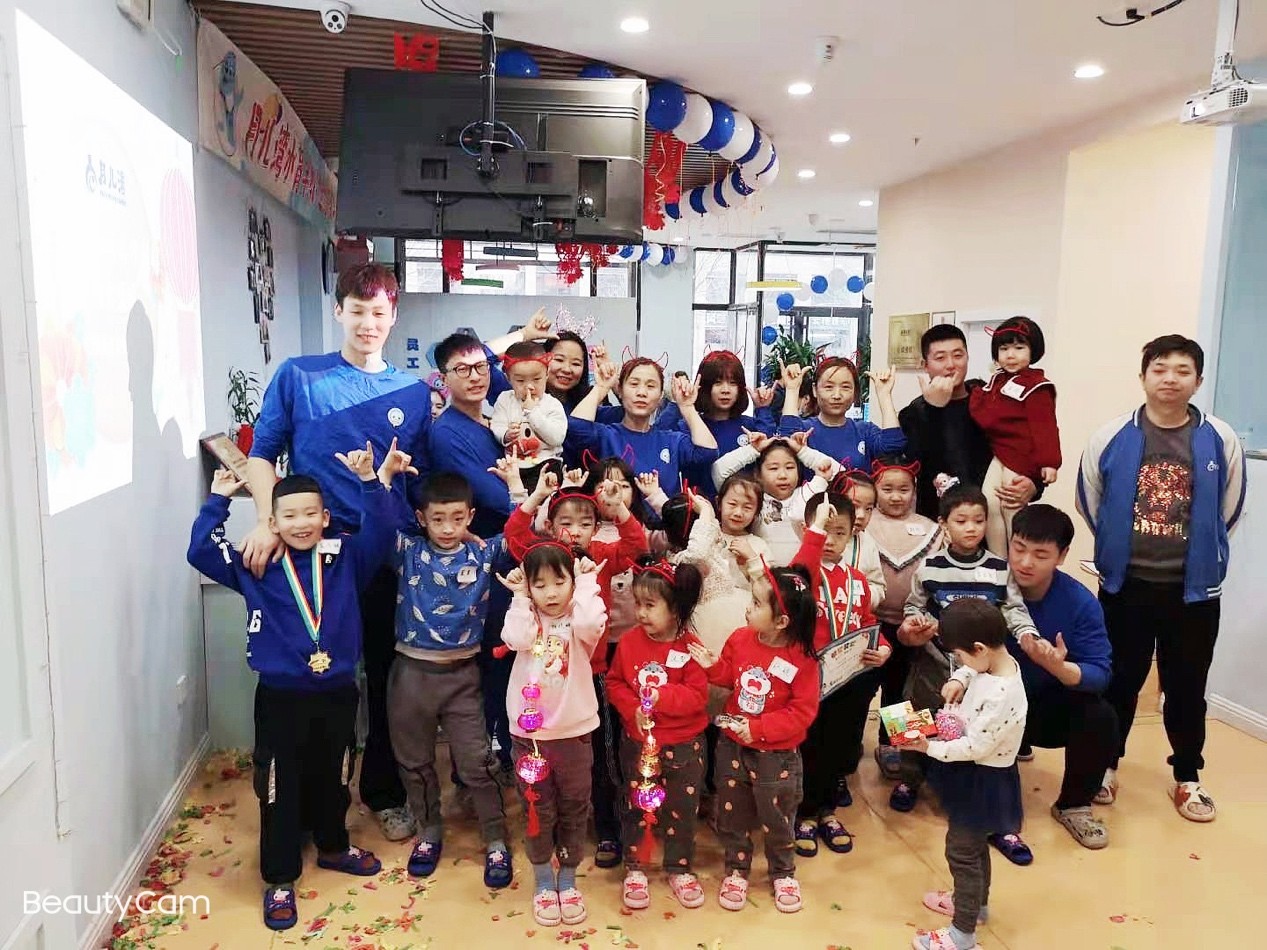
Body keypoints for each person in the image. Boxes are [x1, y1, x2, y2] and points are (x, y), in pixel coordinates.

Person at [244, 263, 431, 842]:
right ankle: (302, 801)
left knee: (385, 676)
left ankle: (383, 791)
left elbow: (418, 483)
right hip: (311, 556)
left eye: (379, 312)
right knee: (308, 678)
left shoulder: (412, 393)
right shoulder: (299, 376)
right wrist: (267, 521)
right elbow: (261, 455)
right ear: (339, 311)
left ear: (394, 316)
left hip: (383, 556)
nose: (368, 323)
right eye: (357, 310)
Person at [187, 453, 394, 931]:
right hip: (281, 696)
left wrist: (369, 479)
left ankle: (333, 846)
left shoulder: (345, 557)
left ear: (325, 517)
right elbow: (200, 551)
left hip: (338, 690)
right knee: (278, 785)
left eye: (310, 514)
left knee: (336, 773)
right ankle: (280, 876)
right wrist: (217, 501)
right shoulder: (258, 561)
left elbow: (382, 531)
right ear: (273, 522)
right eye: (290, 515)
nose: (301, 523)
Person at [1077, 334, 1246, 823]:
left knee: (1187, 687)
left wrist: (1204, 550)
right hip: (1125, 587)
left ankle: (1187, 776)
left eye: (1182, 370)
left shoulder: (1220, 438)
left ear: (1198, 379)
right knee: (1118, 682)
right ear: (1143, 376)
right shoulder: (1112, 435)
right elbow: (1091, 500)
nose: (1170, 378)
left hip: (1193, 593)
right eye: (1160, 368)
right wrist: (1117, 547)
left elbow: (1230, 509)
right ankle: (1106, 766)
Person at [500, 467, 649, 869]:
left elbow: (636, 545)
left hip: (592, 673)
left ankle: (607, 828)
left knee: (602, 757)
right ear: (550, 526)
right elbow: (514, 536)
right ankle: (550, 831)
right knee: (546, 756)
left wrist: (618, 509)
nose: (575, 531)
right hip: (543, 679)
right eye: (565, 522)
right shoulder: (543, 556)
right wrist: (536, 496)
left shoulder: (601, 555)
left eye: (585, 523)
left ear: (596, 528)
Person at [379, 467, 513, 888]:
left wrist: (516, 488)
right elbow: (378, 523)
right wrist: (379, 480)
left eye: (457, 518)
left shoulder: (483, 554)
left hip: (463, 676)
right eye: (437, 519)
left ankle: (496, 838)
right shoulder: (408, 551)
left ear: (470, 516)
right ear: (421, 518)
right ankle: (429, 831)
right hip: (411, 675)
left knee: (477, 763)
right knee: (415, 762)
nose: (448, 528)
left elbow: (521, 534)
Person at [895, 483, 1037, 842]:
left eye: (979, 520)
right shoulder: (930, 567)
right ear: (944, 524)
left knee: (966, 728)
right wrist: (914, 624)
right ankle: (909, 778)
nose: (971, 528)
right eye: (961, 521)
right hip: (933, 661)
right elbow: (914, 606)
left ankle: (956, 787)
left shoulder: (999, 568)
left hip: (979, 671)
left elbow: (1014, 610)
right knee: (917, 714)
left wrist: (1028, 636)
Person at [689, 567, 821, 915]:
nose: (748, 608)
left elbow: (802, 712)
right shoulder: (740, 638)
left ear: (781, 621)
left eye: (757, 603)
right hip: (733, 745)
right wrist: (711, 666)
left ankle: (783, 871)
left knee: (777, 815)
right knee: (732, 811)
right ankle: (736, 868)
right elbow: (729, 677)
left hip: (776, 755)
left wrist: (760, 728)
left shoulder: (802, 659)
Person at [908, 599, 1028, 950]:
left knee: (961, 852)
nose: (960, 663)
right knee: (974, 848)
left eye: (960, 656)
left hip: (981, 779)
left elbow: (975, 746)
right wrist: (960, 677)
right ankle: (976, 906)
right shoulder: (996, 662)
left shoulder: (1001, 695)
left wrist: (926, 747)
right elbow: (975, 669)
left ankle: (962, 935)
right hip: (977, 775)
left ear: (978, 648)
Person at [498, 546, 608, 928]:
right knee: (537, 808)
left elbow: (592, 624)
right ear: (529, 587)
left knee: (575, 807)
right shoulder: (527, 619)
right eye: (540, 584)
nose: (551, 593)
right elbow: (515, 638)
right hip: (530, 736)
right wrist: (518, 597)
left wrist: (588, 582)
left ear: (572, 584)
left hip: (574, 732)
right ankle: (544, 876)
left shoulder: (579, 620)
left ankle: (569, 876)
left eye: (559, 582)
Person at [1006, 504, 1117, 850]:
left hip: (1043, 709)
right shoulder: (988, 584)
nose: (1025, 562)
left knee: (1100, 715)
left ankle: (1074, 805)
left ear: (1062, 555)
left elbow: (1100, 672)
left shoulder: (1079, 602)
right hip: (989, 705)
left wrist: (1058, 666)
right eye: (1018, 548)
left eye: (1040, 555)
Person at [605, 559, 710, 911]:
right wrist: (632, 708)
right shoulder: (630, 642)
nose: (640, 613)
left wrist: (660, 697)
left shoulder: (691, 647)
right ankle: (636, 866)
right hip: (638, 744)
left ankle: (679, 867)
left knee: (682, 809)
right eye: (638, 603)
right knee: (636, 804)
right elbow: (616, 682)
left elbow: (697, 697)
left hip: (684, 745)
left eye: (650, 605)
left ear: (675, 608)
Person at [790, 493, 885, 856]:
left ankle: (827, 810)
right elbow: (801, 574)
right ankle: (803, 814)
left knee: (837, 746)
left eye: (839, 532)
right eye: (823, 530)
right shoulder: (801, 574)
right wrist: (814, 534)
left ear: (851, 535)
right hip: (806, 680)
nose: (830, 539)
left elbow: (868, 622)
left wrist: (883, 648)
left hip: (846, 681)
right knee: (808, 747)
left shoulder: (857, 579)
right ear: (808, 530)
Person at [899, 324, 1038, 523]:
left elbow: (1026, 444)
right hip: (939, 523)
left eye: (958, 355)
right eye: (940, 358)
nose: (951, 365)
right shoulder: (914, 413)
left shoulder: (990, 401)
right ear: (925, 365)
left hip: (993, 518)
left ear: (967, 357)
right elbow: (912, 467)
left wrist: (1034, 484)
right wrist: (934, 408)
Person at [866, 458, 943, 779]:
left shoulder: (931, 528)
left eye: (904, 489)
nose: (896, 497)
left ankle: (899, 747)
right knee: (862, 688)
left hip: (913, 625)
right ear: (875, 489)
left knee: (905, 687)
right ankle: (847, 750)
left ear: (914, 491)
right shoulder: (864, 522)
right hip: (869, 623)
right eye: (887, 489)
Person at [968, 316, 1062, 555]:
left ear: (1033, 351)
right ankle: (998, 560)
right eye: (1004, 349)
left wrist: (1050, 462)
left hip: (1023, 455)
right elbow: (984, 415)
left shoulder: (1037, 386)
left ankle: (1017, 559)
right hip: (1000, 452)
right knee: (989, 502)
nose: (1011, 355)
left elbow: (1045, 426)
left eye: (1019, 348)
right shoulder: (996, 381)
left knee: (1011, 505)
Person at [656, 351, 806, 495]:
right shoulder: (690, 426)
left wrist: (763, 409)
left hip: (746, 507)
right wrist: (676, 402)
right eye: (718, 383)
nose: (726, 390)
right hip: (700, 508)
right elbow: (659, 438)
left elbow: (778, 450)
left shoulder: (749, 426)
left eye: (733, 383)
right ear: (705, 386)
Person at [569, 356, 719, 495]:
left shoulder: (671, 440)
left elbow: (708, 452)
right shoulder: (607, 435)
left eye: (650, 386)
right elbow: (576, 427)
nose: (641, 392)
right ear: (620, 390)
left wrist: (687, 407)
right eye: (634, 384)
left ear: (660, 396)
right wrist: (601, 388)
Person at [711, 426, 841, 565]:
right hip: (763, 573)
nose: (783, 475)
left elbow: (841, 475)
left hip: (802, 574)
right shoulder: (754, 499)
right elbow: (718, 471)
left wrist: (803, 452)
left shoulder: (809, 493)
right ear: (758, 474)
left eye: (790, 467)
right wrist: (752, 450)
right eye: (773, 468)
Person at [490, 341, 568, 490]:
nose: (529, 386)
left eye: (537, 379)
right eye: (520, 381)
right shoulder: (505, 400)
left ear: (547, 374)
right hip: (514, 464)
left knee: (547, 486)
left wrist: (533, 413)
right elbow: (496, 425)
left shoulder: (552, 404)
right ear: (508, 378)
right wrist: (506, 435)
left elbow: (557, 438)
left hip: (546, 462)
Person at [804, 356, 904, 469]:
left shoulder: (864, 431)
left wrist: (884, 395)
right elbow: (788, 440)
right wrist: (792, 390)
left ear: (855, 392)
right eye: (829, 387)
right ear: (815, 390)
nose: (837, 395)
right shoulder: (804, 430)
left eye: (845, 387)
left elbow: (893, 447)